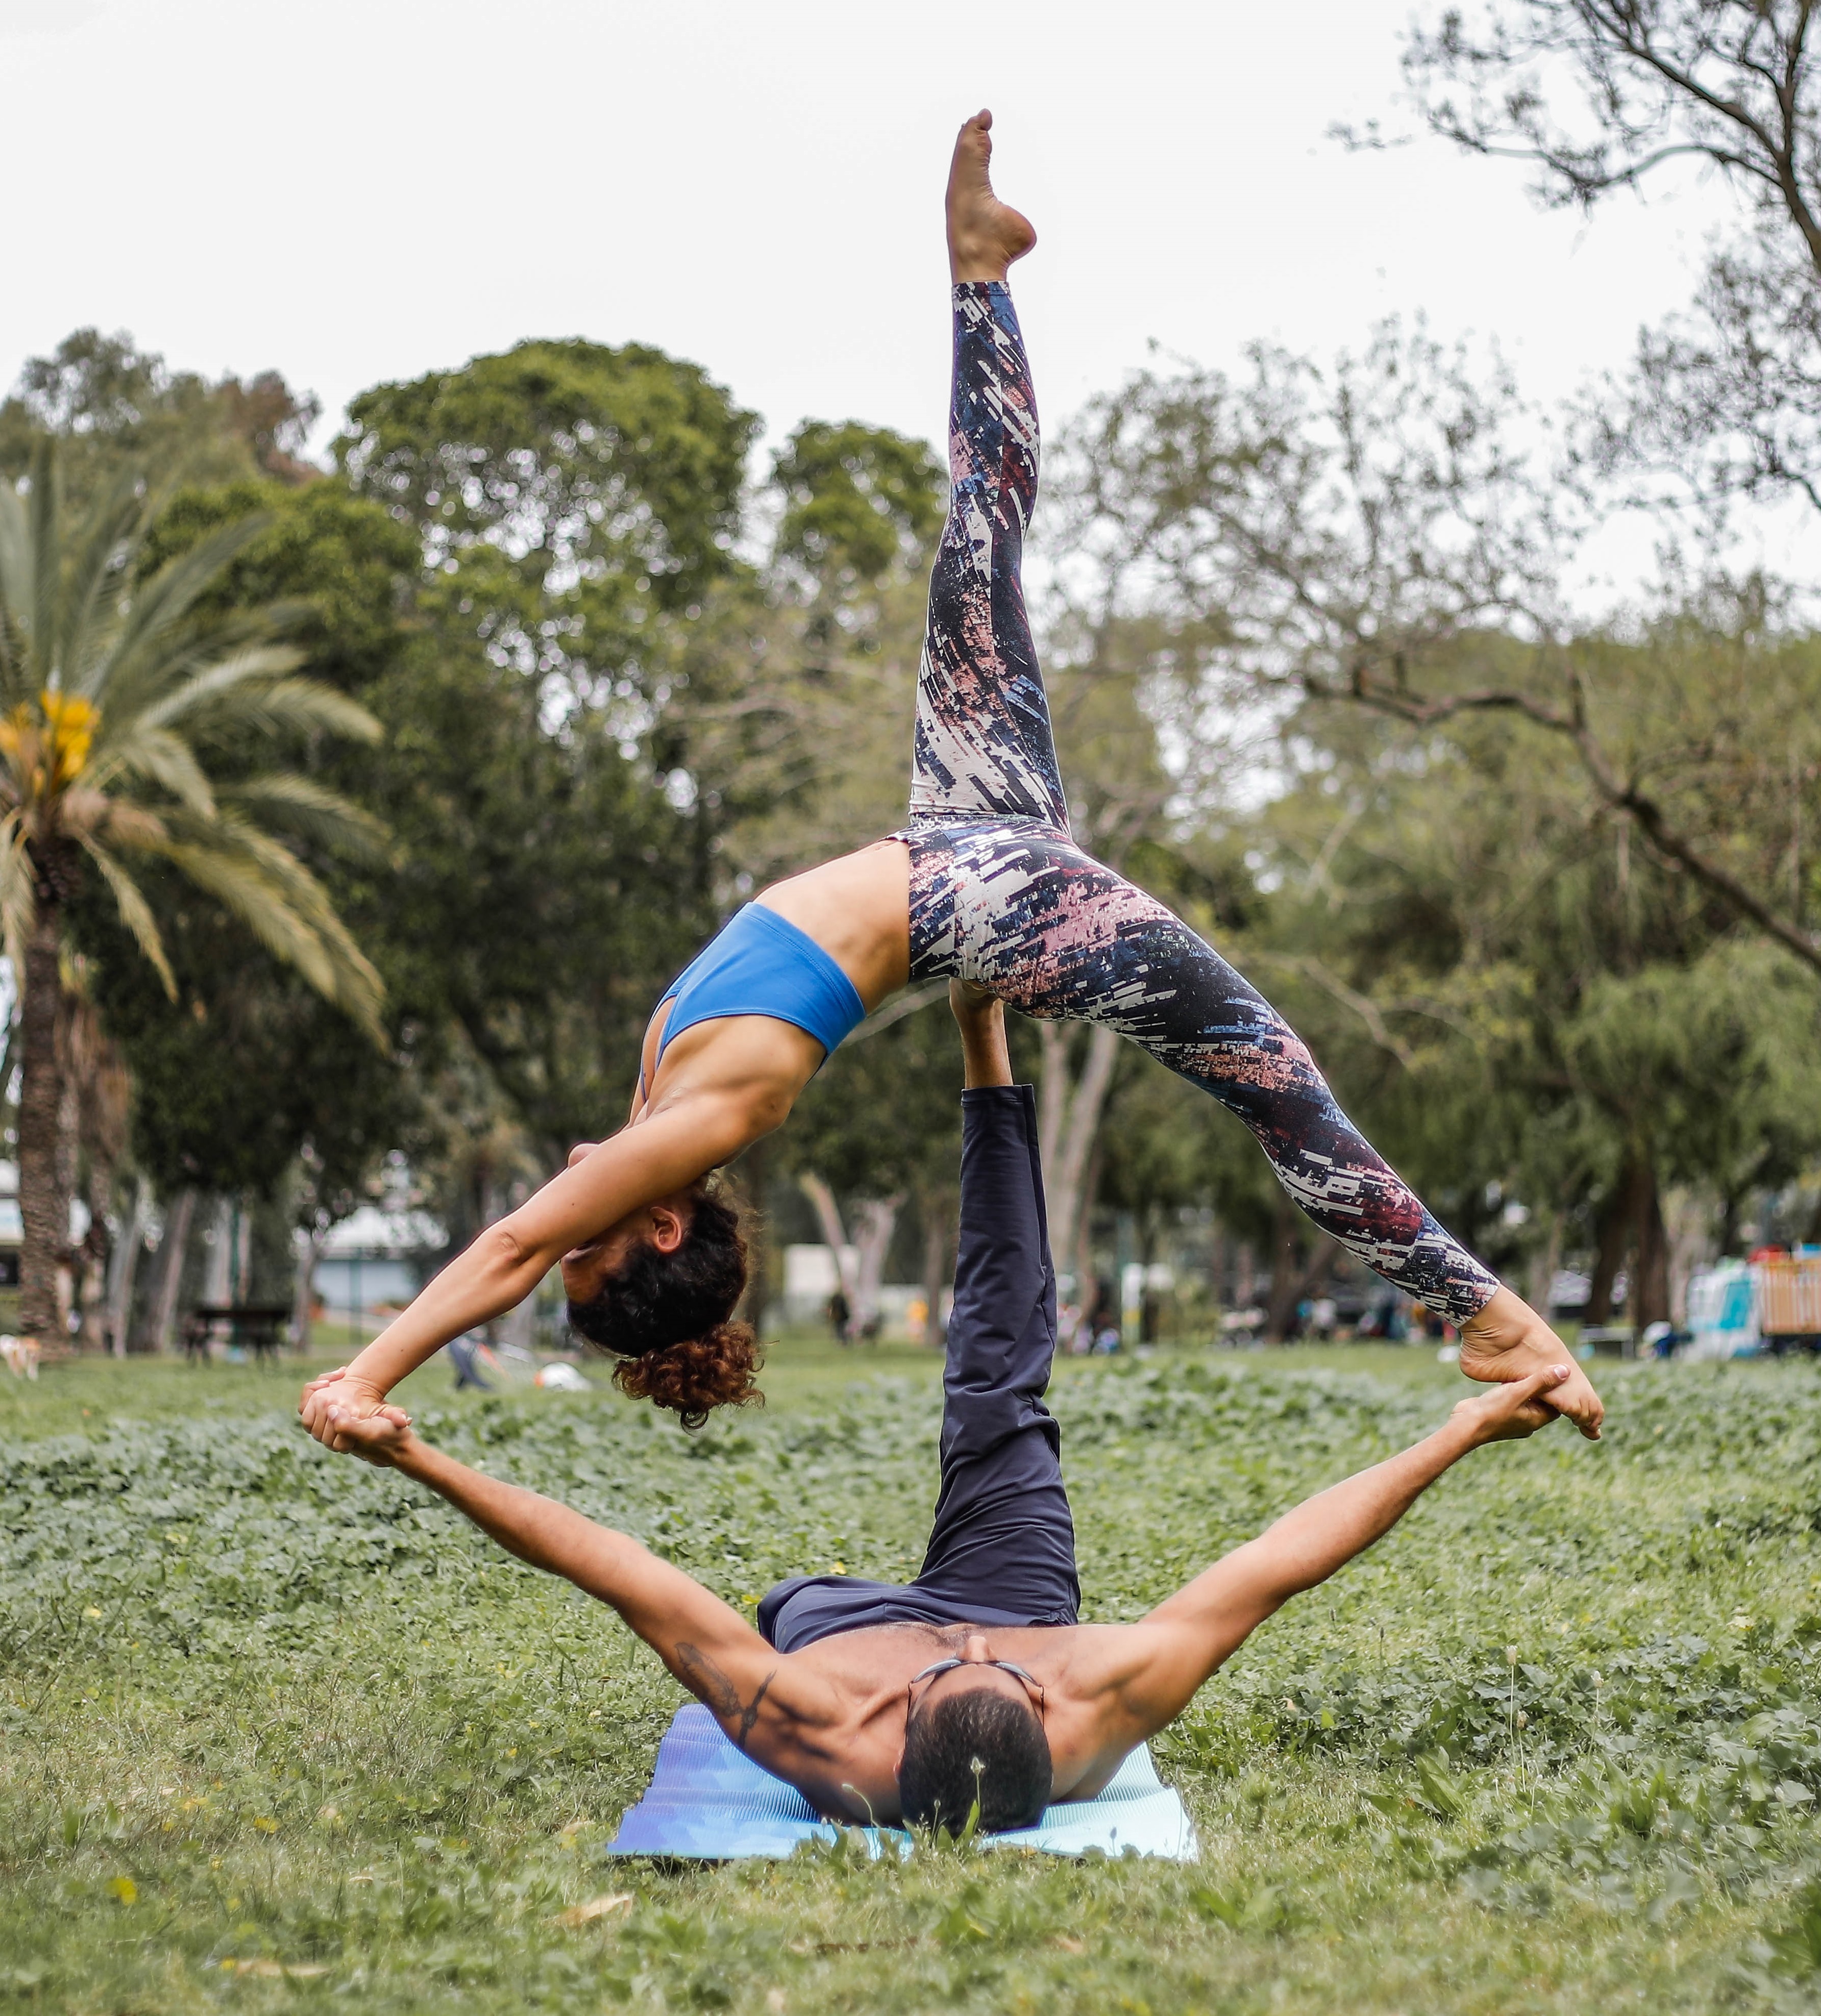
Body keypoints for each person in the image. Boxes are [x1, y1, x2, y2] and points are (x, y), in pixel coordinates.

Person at [302, 111, 1601, 1460]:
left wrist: (971, 1012)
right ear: (658, 1225)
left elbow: (548, 1230)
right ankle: (1488, 1314)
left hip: (959, 837)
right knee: (1267, 1074)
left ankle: (980, 269)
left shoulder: (665, 1105)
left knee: (978, 531)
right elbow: (513, 1247)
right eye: (592, 1248)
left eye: (573, 1241)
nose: (559, 1206)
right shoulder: (704, 1120)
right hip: (987, 891)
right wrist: (372, 1371)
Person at [316, 984, 1577, 1834]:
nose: (970, 1648)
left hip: (837, 1627)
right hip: (1023, 1583)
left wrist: (418, 1453)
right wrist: (1467, 1426)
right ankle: (988, 1039)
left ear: (891, 1721)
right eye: (1002, 1675)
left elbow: (618, 1568)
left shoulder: (806, 1727)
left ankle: (984, 1040)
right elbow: (1279, 1559)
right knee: (999, 1376)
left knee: (793, 1607)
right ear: (1046, 1717)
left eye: (958, 1672)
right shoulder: (1097, 1699)